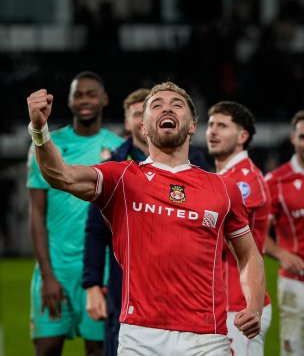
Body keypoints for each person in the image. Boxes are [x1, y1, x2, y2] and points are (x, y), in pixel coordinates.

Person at [27, 81, 265, 356]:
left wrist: (254, 306)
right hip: (140, 337)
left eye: (177, 105)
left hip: (207, 337)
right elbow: (61, 175)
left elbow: (249, 255)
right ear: (142, 127)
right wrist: (39, 130)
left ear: (192, 126)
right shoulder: (122, 178)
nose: (168, 109)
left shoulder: (224, 188)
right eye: (157, 105)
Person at [82, 87, 211, 356]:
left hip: (185, 286)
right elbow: (96, 231)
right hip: (125, 279)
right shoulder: (115, 165)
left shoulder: (195, 161)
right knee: (119, 335)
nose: (157, 114)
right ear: (132, 123)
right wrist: (93, 285)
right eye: (139, 112)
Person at [26, 71, 123, 356]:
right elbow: (36, 215)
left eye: (91, 94)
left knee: (97, 350)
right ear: (68, 101)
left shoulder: (119, 149)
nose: (85, 100)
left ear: (104, 99)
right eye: (78, 94)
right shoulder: (44, 146)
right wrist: (47, 275)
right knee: (47, 348)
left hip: (100, 270)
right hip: (55, 269)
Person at [206, 101, 272, 355]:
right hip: (223, 301)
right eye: (211, 125)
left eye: (222, 126)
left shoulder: (247, 182)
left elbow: (216, 239)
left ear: (242, 136)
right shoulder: (223, 178)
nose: (212, 131)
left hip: (241, 305)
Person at [264, 109, 304, 356]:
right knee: (293, 350)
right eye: (302, 136)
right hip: (295, 284)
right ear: (293, 138)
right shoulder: (276, 181)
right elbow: (256, 233)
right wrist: (282, 254)